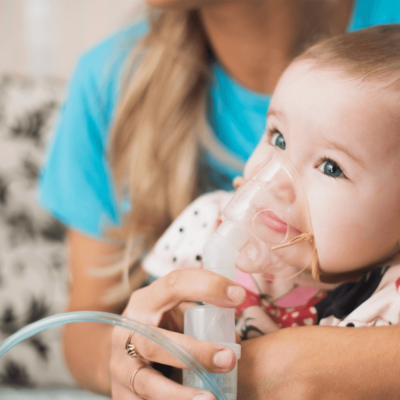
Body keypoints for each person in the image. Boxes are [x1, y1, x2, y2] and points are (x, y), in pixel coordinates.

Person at [38, 1, 400, 399]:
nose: (275, 181)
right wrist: (145, 352)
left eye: (331, 167)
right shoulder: (203, 226)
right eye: (277, 139)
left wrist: (321, 367)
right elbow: (91, 324)